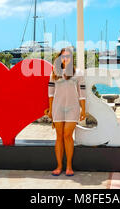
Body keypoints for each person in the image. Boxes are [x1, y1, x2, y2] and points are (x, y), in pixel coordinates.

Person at [45, 47, 86, 176]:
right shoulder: (55, 73)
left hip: (73, 108)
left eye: (68, 56)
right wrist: (51, 110)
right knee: (59, 136)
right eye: (63, 56)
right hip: (58, 108)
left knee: (67, 135)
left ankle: (69, 166)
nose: (66, 58)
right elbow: (50, 93)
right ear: (60, 58)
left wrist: (83, 109)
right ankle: (59, 166)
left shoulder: (78, 73)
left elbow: (82, 92)